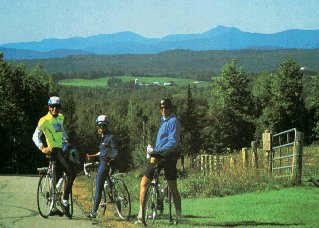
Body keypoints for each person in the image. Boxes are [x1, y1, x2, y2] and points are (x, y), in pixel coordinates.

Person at [137, 98, 183, 224]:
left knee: (173, 188)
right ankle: (141, 214)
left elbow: (173, 142)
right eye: (161, 108)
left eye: (166, 108)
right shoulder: (163, 121)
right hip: (157, 156)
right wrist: (153, 150)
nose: (163, 110)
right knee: (144, 183)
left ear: (171, 108)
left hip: (168, 157)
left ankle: (179, 217)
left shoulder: (173, 121)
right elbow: (163, 140)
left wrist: (158, 150)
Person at [32, 96, 75, 218]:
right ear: (49, 107)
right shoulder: (44, 120)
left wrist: (66, 140)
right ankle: (65, 201)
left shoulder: (60, 118)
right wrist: (42, 148)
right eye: (52, 106)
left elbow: (61, 131)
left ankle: (54, 207)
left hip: (61, 150)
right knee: (72, 173)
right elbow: (35, 136)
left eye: (57, 106)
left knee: (58, 176)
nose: (55, 109)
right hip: (53, 151)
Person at [86, 115, 118, 218]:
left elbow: (115, 150)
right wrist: (93, 156)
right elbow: (102, 152)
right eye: (100, 126)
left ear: (107, 126)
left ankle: (94, 212)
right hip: (102, 162)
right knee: (110, 187)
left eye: (104, 125)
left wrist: (112, 159)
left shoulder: (110, 137)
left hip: (105, 163)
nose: (101, 127)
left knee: (98, 186)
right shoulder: (102, 137)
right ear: (97, 126)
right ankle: (115, 202)